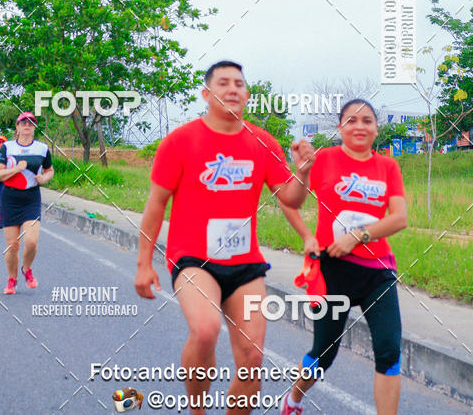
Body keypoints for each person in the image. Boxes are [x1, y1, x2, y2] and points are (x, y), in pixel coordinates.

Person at [134, 61, 315, 415]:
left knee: (252, 358)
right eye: (224, 83)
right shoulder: (180, 141)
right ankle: (197, 410)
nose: (233, 89)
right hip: (192, 258)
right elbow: (155, 206)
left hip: (245, 263)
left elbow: (291, 199)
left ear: (248, 94)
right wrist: (143, 264)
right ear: (207, 93)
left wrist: (303, 173)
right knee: (204, 331)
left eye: (239, 84)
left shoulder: (262, 141)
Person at [279, 99, 408, 415]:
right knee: (324, 354)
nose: (360, 126)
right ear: (340, 128)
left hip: (377, 271)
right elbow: (288, 200)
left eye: (367, 120)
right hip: (331, 271)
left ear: (376, 128)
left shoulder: (388, 167)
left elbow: (399, 218)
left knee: (389, 351)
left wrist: (357, 236)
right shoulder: (324, 159)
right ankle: (294, 398)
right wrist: (307, 235)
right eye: (351, 120)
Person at [0, 112, 54, 295]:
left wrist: (44, 178)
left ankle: (27, 269)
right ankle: (12, 279)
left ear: (34, 128)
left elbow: (49, 170)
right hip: (10, 198)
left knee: (31, 241)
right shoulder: (7, 147)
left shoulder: (42, 148)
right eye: (23, 122)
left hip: (31, 199)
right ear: (17, 127)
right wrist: (16, 169)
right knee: (13, 245)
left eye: (31, 123)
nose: (27, 125)